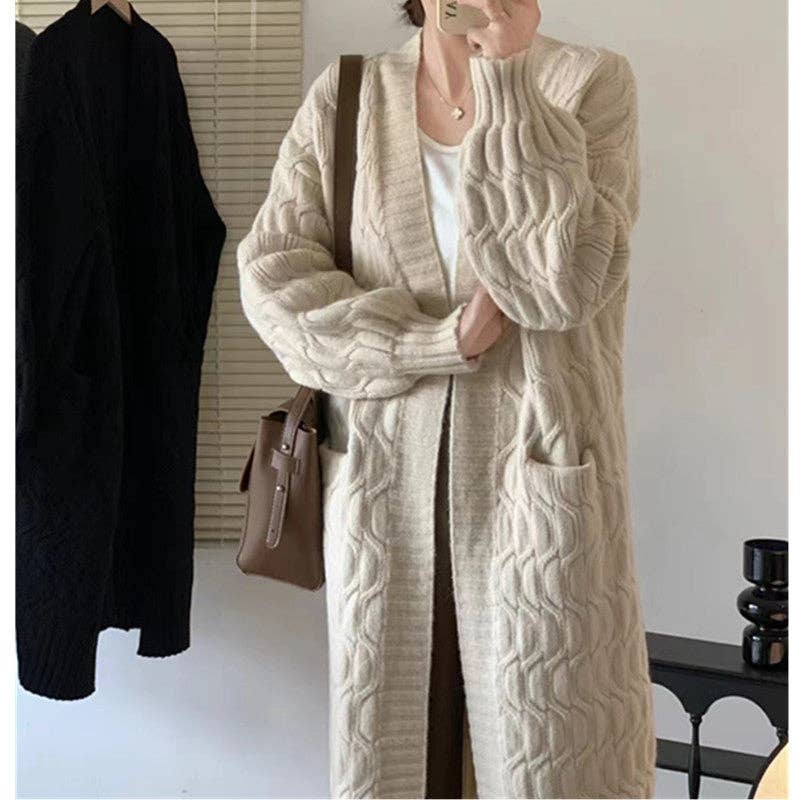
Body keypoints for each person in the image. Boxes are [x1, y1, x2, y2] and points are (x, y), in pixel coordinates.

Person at [236, 0, 656, 797]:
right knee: (398, 765)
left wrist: (510, 76)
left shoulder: (589, 83)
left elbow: (561, 286)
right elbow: (274, 282)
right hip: (385, 497)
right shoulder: (349, 96)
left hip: (537, 496)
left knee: (547, 759)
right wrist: (430, 340)